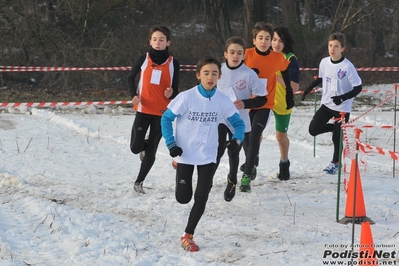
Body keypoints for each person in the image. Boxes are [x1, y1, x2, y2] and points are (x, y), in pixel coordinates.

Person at [160, 56, 245, 252]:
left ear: (219, 76)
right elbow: (166, 119)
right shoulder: (186, 97)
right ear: (198, 75)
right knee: (183, 198)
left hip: (208, 154)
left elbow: (238, 124)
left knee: (202, 196)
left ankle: (188, 235)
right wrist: (171, 144)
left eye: (214, 73)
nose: (210, 77)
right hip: (184, 153)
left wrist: (237, 139)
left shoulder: (223, 100)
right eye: (206, 73)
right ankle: (177, 166)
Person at [240, 22, 294, 192]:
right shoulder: (246, 54)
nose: (264, 41)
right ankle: (252, 161)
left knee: (256, 134)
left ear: (271, 41)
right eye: (260, 38)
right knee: (245, 137)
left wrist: (289, 95)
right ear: (254, 40)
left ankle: (247, 175)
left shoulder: (278, 58)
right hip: (245, 103)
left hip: (264, 104)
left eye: (267, 38)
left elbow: (286, 74)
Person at [127, 25, 180, 194]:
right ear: (150, 41)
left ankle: (139, 182)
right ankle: (144, 145)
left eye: (162, 39)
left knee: (152, 152)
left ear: (168, 42)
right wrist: (133, 94)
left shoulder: (174, 63)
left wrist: (171, 93)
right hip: (143, 109)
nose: (158, 43)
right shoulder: (143, 58)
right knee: (135, 148)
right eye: (155, 39)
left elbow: (176, 89)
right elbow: (130, 77)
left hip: (162, 114)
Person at [301, 32, 362, 174]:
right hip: (327, 104)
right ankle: (333, 128)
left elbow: (358, 87)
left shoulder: (348, 66)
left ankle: (336, 162)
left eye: (336, 46)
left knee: (337, 138)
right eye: (330, 45)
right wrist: (309, 88)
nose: (332, 49)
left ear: (343, 48)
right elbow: (321, 78)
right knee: (313, 130)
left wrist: (343, 97)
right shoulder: (324, 62)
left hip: (342, 108)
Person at [215, 36, 267, 202]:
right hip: (220, 119)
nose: (235, 56)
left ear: (244, 55)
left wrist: (244, 103)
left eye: (239, 53)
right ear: (225, 54)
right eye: (232, 52)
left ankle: (232, 180)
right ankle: (206, 181)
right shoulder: (219, 70)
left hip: (239, 121)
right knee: (217, 150)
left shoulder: (249, 74)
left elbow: (262, 99)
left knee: (233, 152)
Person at [270, 26, 300, 180]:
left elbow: (295, 87)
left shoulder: (289, 59)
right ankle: (252, 164)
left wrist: (274, 77)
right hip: (263, 101)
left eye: (280, 41)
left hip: (282, 102)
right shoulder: (263, 55)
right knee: (255, 134)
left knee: (281, 137)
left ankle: (284, 163)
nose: (276, 44)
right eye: (274, 39)